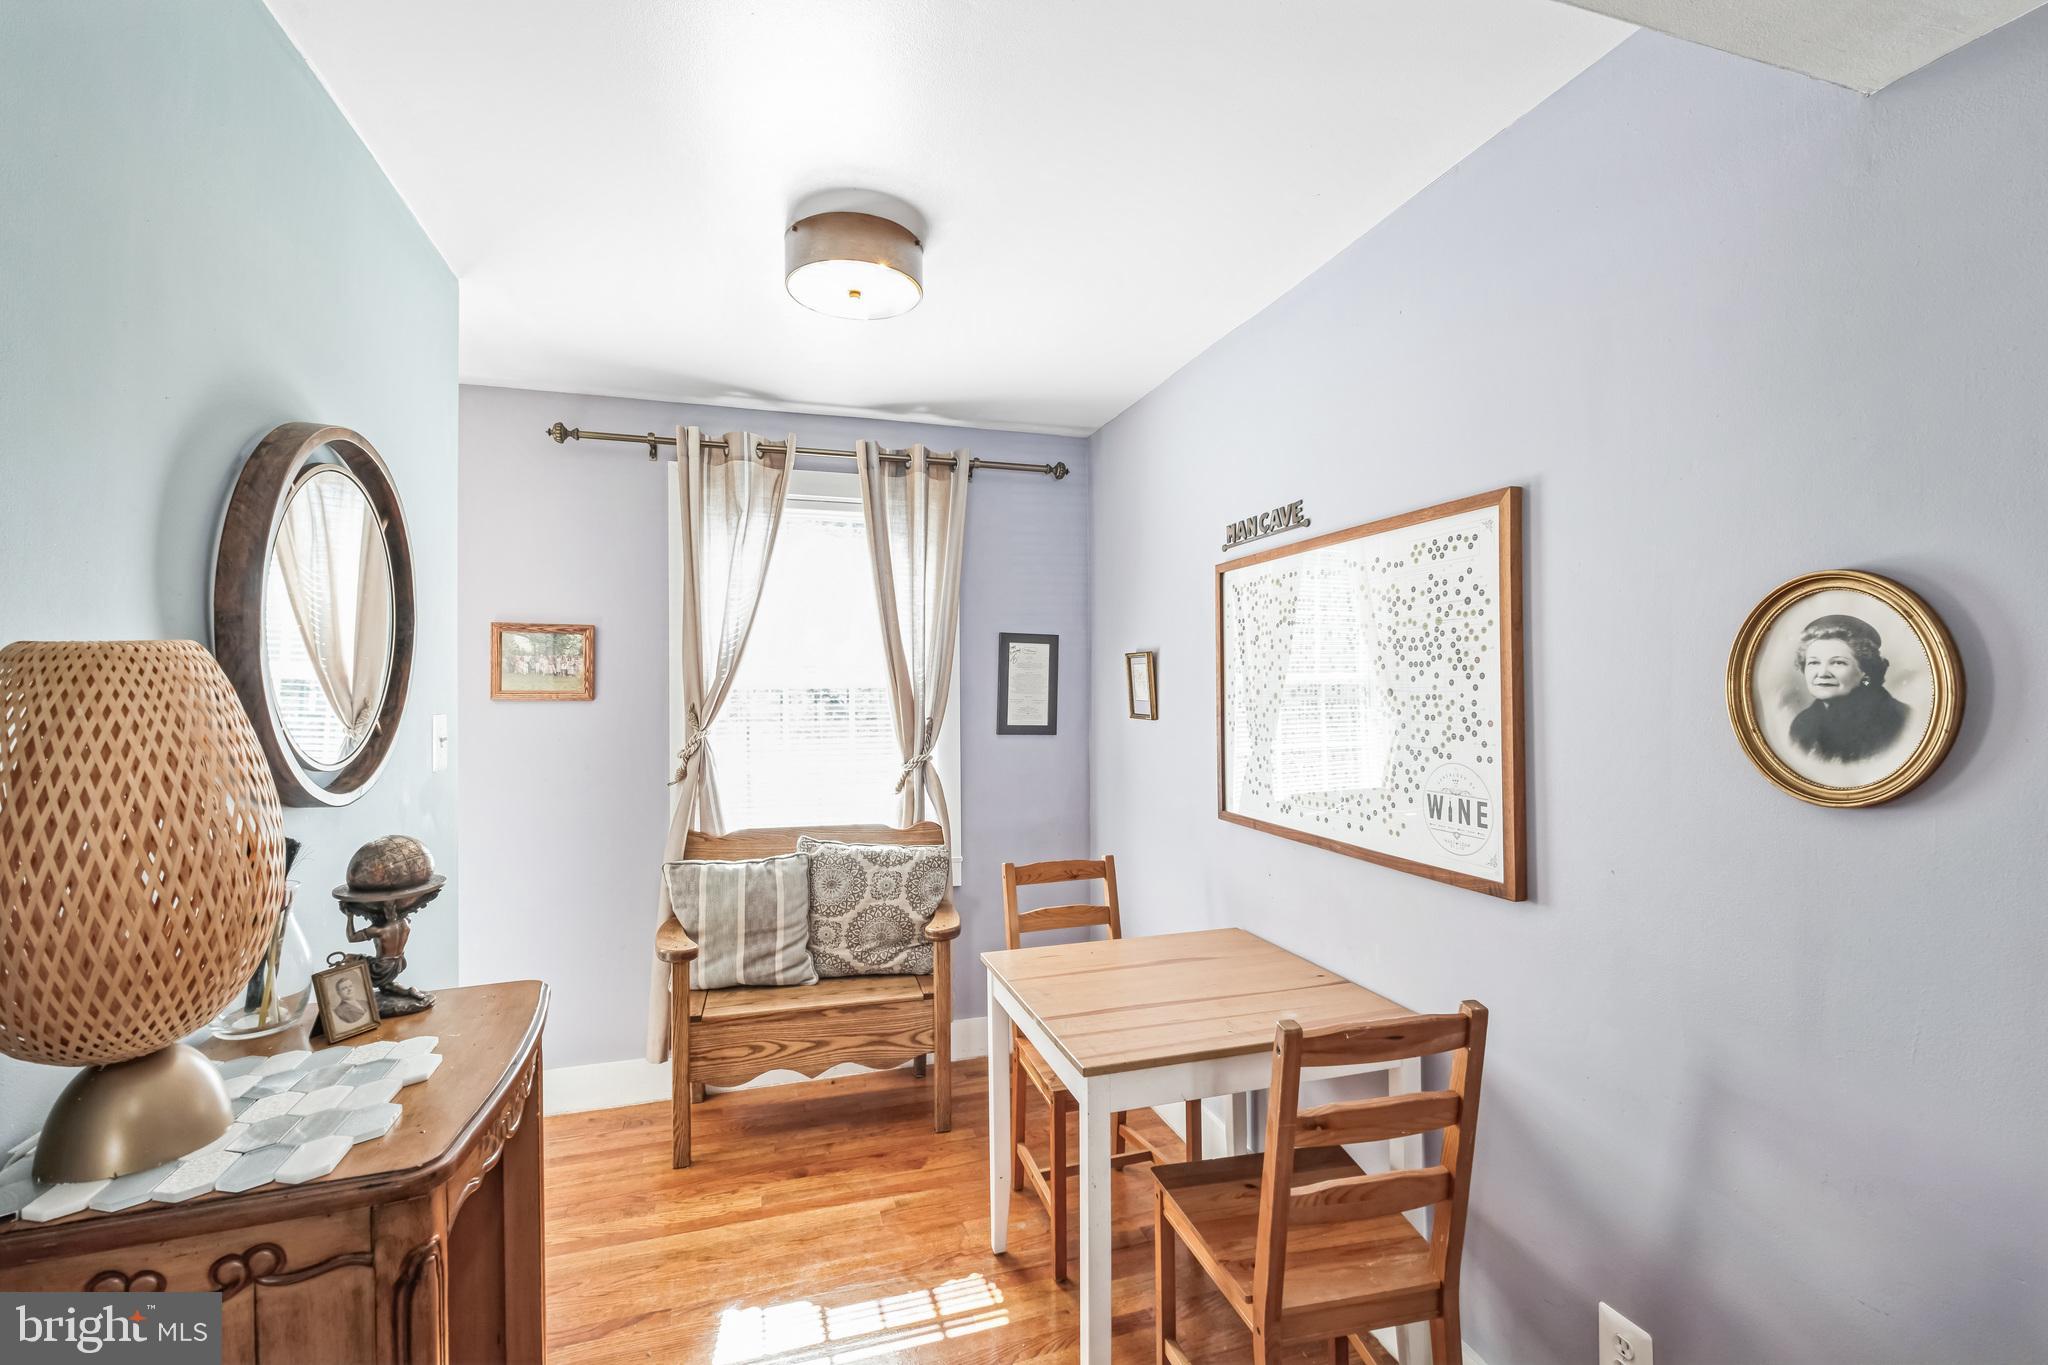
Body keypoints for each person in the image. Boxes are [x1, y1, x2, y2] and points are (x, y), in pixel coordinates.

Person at [1788, 614, 1910, 763]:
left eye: (1838, 663)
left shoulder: (1897, 720)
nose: (1822, 673)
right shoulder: (1803, 724)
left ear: (1865, 670)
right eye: (1814, 663)